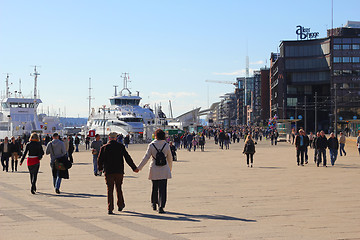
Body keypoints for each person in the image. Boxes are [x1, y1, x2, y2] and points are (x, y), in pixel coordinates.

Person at [98, 132, 138, 215]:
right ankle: (120, 204)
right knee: (119, 188)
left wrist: (100, 169)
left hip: (108, 171)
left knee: (110, 190)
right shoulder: (120, 147)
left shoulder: (104, 147)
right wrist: (134, 167)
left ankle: (110, 208)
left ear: (109, 138)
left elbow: (99, 160)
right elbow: (127, 158)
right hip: (119, 171)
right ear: (116, 138)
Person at [137, 129, 173, 214]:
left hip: (154, 168)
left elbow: (146, 157)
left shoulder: (151, 145)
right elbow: (170, 159)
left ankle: (154, 203)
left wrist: (139, 168)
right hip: (164, 169)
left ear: (155, 136)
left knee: (154, 187)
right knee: (163, 189)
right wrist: (170, 169)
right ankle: (161, 206)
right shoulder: (166, 145)